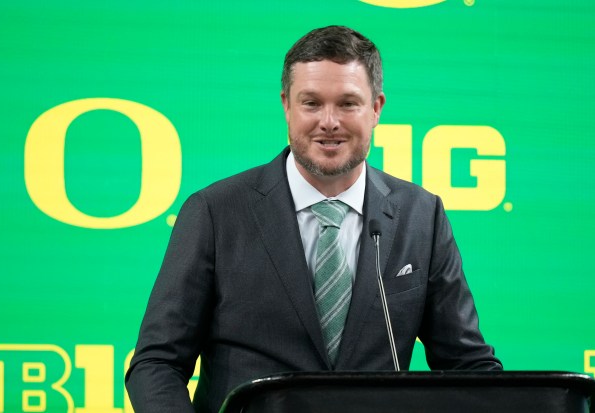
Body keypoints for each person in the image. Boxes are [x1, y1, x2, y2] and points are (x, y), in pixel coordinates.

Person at [125, 25, 502, 413]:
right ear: (286, 105)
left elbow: (468, 366)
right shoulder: (216, 212)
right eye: (311, 103)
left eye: (347, 103)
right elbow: (156, 364)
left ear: (376, 109)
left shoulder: (422, 216)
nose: (329, 121)